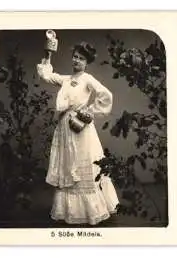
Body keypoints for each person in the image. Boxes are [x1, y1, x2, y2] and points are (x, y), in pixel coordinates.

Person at [36, 41, 120, 226]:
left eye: (81, 58)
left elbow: (106, 95)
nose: (77, 60)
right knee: (68, 164)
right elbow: (47, 75)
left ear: (86, 62)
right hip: (65, 127)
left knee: (84, 163)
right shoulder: (66, 79)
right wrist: (49, 52)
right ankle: (71, 211)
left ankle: (92, 210)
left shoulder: (88, 79)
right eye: (75, 56)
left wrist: (89, 113)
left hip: (80, 126)